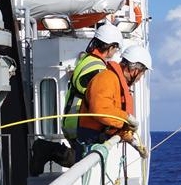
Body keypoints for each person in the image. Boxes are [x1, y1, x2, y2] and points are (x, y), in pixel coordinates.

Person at [30, 22, 123, 174]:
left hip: (75, 119)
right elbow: (98, 97)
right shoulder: (97, 68)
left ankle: (45, 149)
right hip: (79, 120)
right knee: (85, 160)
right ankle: (46, 149)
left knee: (82, 159)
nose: (115, 52)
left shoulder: (89, 61)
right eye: (116, 48)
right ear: (111, 46)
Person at [75, 43, 151, 158]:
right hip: (90, 141)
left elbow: (113, 122)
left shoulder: (117, 83)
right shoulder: (106, 79)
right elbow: (100, 110)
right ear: (134, 70)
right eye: (142, 73)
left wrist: (134, 142)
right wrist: (127, 118)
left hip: (99, 140)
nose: (140, 78)